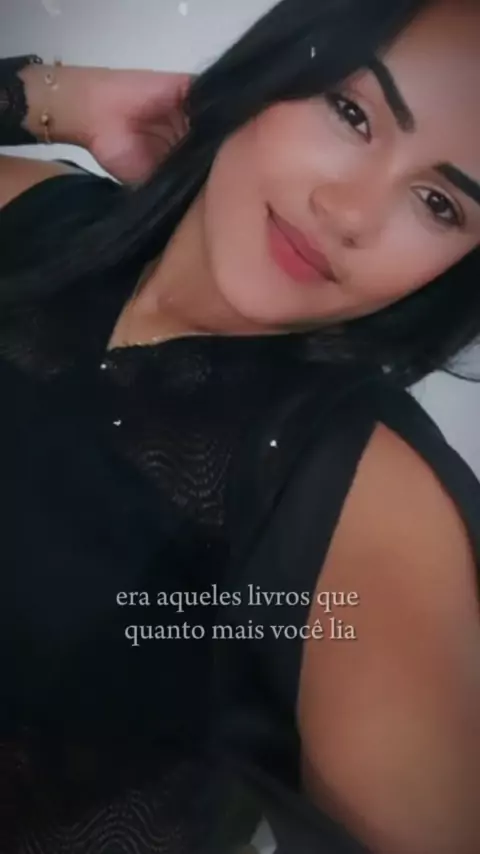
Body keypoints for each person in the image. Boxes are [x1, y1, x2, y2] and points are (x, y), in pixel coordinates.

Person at [0, 0, 479, 852]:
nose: (348, 212)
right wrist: (53, 96)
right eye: (352, 111)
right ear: (276, 66)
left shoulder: (367, 495)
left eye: (440, 204)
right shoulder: (39, 218)